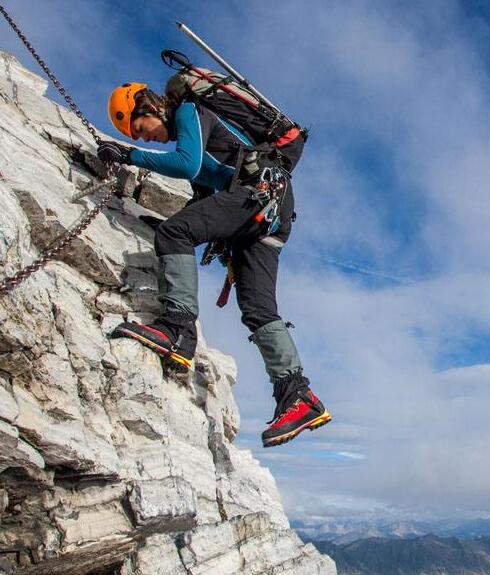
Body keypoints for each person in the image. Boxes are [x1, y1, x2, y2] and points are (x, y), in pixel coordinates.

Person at [98, 82, 330, 448]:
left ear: (150, 108)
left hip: (258, 197)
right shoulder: (202, 139)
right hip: (271, 211)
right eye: (139, 139)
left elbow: (186, 163)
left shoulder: (189, 111)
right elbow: (203, 199)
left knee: (175, 234)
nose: (149, 141)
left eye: (142, 131)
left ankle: (176, 329)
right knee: (257, 309)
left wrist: (129, 155)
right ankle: (298, 396)